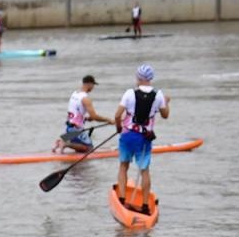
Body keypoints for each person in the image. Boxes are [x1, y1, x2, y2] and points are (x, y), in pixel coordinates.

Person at [112, 64, 169, 214]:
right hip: (144, 138)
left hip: (127, 136)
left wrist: (118, 128)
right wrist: (166, 103)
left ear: (138, 77)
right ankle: (144, 205)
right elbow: (165, 115)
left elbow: (117, 115)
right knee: (144, 170)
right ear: (151, 78)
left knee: (123, 166)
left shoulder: (129, 93)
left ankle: (122, 200)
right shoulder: (159, 95)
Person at [58, 74, 110, 153]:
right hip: (76, 129)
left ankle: (61, 141)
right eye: (93, 85)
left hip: (69, 127)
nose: (93, 87)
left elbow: (75, 111)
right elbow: (94, 116)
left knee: (78, 143)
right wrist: (109, 120)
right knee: (89, 148)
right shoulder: (85, 98)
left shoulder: (75, 94)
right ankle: (66, 144)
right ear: (89, 84)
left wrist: (86, 118)